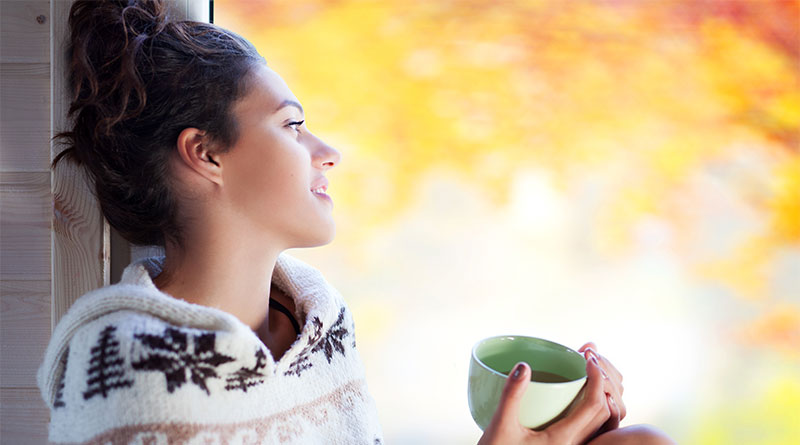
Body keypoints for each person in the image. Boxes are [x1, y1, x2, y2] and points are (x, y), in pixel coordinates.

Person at [38, 1, 674, 444]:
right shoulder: (130, 368)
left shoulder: (321, 325)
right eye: (291, 125)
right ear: (206, 154)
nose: (327, 152)